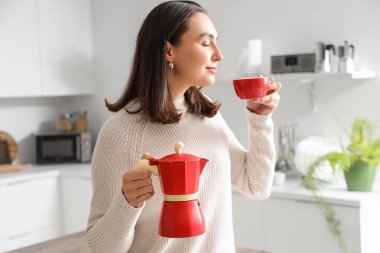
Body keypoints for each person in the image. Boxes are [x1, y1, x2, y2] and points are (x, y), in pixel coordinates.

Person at [86, 1, 281, 252]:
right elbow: (102, 247)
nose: (219, 54)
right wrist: (127, 202)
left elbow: (257, 185)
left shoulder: (205, 112)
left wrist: (259, 118)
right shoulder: (120, 133)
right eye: (206, 42)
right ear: (169, 51)